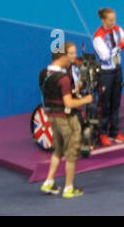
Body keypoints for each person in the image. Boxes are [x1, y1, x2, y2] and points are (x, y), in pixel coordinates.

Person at [40, 43, 94, 198]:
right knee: (71, 153)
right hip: (65, 119)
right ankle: (68, 188)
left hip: (52, 117)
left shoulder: (44, 73)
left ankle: (49, 181)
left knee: (58, 150)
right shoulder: (63, 78)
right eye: (71, 53)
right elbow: (69, 103)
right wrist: (85, 100)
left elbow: (55, 93)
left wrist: (73, 90)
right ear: (62, 56)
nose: (74, 57)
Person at [91, 7, 124, 146]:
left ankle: (114, 131)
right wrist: (120, 45)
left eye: (114, 19)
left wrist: (123, 42)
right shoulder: (98, 37)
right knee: (105, 104)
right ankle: (102, 133)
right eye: (110, 20)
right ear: (103, 20)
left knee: (116, 102)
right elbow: (105, 56)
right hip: (106, 73)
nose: (113, 22)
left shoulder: (117, 29)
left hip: (117, 70)